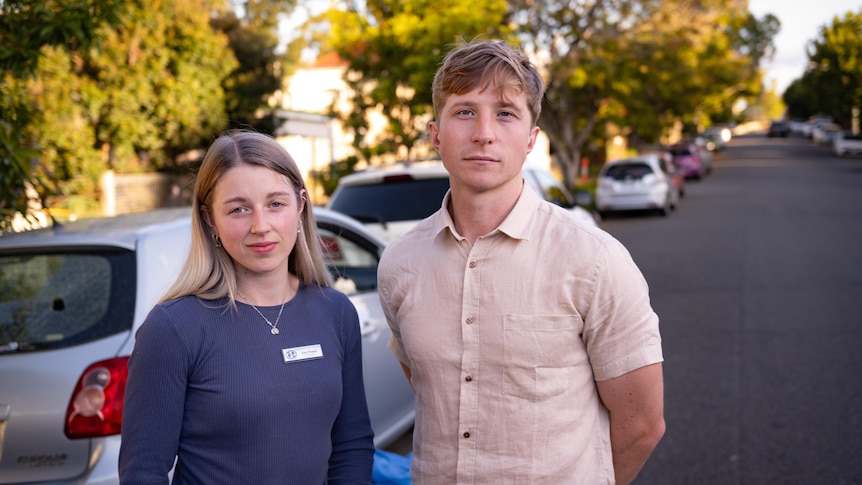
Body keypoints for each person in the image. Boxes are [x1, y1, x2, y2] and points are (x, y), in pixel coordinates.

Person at [377, 40, 665, 484]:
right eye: (465, 111)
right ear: (436, 135)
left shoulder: (594, 259)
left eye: (505, 112)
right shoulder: (400, 263)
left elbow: (642, 424)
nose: (484, 132)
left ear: (531, 139)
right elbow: (427, 387)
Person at [119, 130, 374, 484]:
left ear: (300, 206)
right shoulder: (173, 328)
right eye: (239, 209)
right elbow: (142, 472)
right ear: (211, 221)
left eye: (275, 204)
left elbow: (352, 446)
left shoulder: (335, 312)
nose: (260, 226)